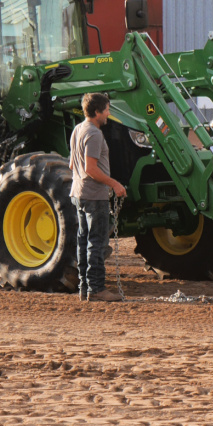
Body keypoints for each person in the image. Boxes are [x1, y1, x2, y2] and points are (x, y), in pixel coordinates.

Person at [69, 92, 128, 303]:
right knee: (97, 243)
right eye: (107, 110)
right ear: (97, 112)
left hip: (79, 194)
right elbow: (91, 168)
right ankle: (96, 289)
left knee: (83, 242)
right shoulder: (94, 134)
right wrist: (115, 184)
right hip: (94, 196)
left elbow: (72, 165)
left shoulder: (77, 130)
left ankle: (84, 288)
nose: (108, 114)